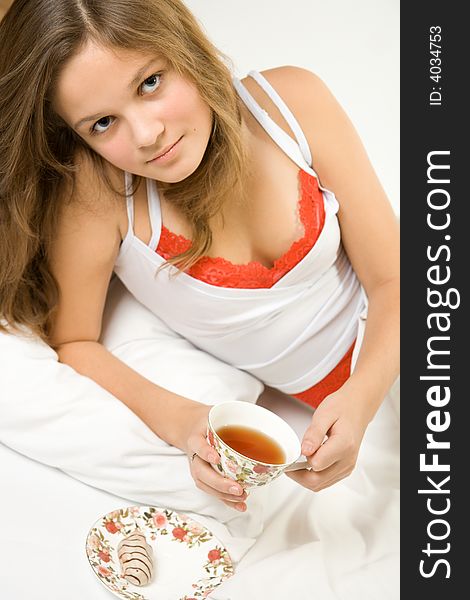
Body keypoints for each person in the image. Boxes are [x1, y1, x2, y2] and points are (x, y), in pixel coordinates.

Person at [0, 0, 399, 515]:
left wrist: (361, 399)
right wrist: (187, 421)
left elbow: (396, 279)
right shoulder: (98, 194)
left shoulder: (290, 103)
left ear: (183, 46)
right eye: (102, 123)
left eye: (150, 83)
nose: (147, 135)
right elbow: (75, 342)